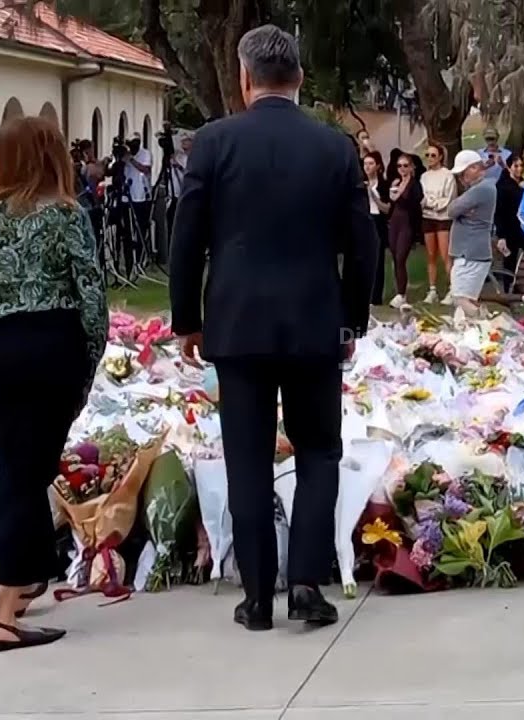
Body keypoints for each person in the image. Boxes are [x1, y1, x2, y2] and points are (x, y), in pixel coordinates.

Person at [170, 25, 376, 632]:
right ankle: (307, 581)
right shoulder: (334, 147)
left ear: (244, 77)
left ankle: (257, 595)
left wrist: (187, 319)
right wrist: (352, 318)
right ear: (300, 79)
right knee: (318, 451)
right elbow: (362, 244)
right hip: (315, 320)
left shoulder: (214, 142)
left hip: (237, 324)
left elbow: (186, 239)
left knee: (248, 459)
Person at [0, 116, 107, 652]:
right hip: (50, 344)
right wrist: (88, 366)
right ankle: (3, 611)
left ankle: (25, 580)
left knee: (19, 467)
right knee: (27, 474)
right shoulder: (65, 215)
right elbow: (91, 297)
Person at [446, 149, 497, 313]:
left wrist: (460, 208)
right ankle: (483, 323)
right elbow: (454, 208)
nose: (460, 178)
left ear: (474, 168)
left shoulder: (482, 188)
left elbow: (452, 210)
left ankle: (487, 322)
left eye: (463, 172)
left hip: (471, 253)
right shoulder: (476, 189)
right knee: (466, 299)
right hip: (468, 252)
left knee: (460, 299)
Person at [386, 152, 423, 308]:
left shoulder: (415, 184)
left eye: (405, 165)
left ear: (412, 167)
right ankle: (400, 291)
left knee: (401, 257)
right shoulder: (396, 182)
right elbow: (391, 203)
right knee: (395, 257)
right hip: (394, 222)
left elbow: (415, 202)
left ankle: (401, 294)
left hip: (407, 223)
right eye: (399, 166)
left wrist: (400, 194)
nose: (402, 168)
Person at [420, 145, 456, 304]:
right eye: (427, 155)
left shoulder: (448, 175)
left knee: (445, 254)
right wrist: (428, 203)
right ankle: (432, 289)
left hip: (443, 217)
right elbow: (422, 197)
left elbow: (448, 198)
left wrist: (433, 203)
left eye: (433, 155)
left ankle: (453, 289)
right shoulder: (424, 176)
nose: (430, 158)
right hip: (427, 217)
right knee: (430, 255)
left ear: (440, 157)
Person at [494, 154, 524, 287]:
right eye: (516, 166)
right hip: (509, 230)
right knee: (509, 262)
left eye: (521, 166)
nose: (519, 169)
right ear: (509, 167)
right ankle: (508, 289)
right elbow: (498, 212)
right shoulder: (502, 186)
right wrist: (501, 236)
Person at [363, 151, 391, 305]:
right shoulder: (360, 183)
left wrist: (373, 195)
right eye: (365, 164)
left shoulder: (383, 185)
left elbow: (386, 209)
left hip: (378, 221)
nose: (367, 167)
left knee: (378, 259)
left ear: (378, 166)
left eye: (371, 164)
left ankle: (376, 296)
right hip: (365, 221)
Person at [124, 133, 154, 248]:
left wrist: (131, 160)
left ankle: (141, 251)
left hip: (141, 196)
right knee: (127, 228)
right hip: (127, 196)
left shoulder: (145, 154)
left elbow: (145, 169)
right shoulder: (125, 154)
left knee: (141, 227)